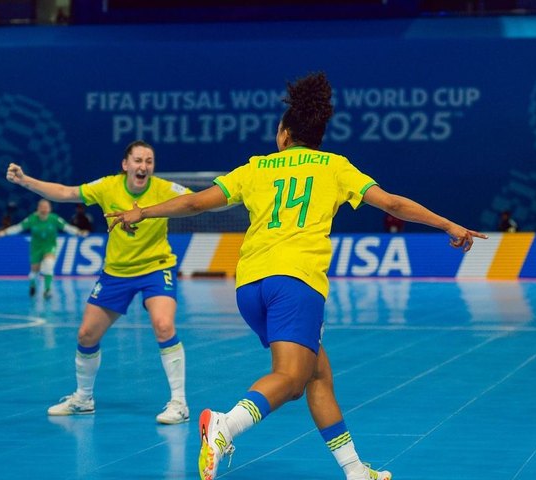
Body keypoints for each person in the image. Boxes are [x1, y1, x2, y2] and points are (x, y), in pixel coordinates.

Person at [107, 72, 487, 480]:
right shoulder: (335, 167)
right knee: (289, 379)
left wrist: (143, 210)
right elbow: (393, 203)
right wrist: (449, 225)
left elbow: (197, 204)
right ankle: (225, 425)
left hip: (250, 286)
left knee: (317, 374)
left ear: (285, 133)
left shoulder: (257, 168)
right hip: (297, 282)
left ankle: (356, 471)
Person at [3, 140, 192, 425]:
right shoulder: (107, 186)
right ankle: (83, 399)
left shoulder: (166, 189)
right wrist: (25, 180)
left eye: (149, 161)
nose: (144, 166)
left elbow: (197, 202)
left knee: (164, 326)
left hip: (157, 268)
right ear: (125, 164)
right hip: (116, 272)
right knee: (86, 336)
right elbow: (66, 193)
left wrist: (239, 194)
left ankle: (179, 403)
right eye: (138, 160)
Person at [0, 198, 82, 299]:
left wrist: (78, 232)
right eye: (42, 207)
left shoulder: (54, 219)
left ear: (50, 209)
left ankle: (47, 290)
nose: (44, 210)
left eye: (46, 208)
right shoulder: (32, 219)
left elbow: (67, 227)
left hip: (49, 246)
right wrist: (4, 232)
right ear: (38, 209)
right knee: (34, 272)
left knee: (48, 265)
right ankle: (32, 284)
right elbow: (18, 227)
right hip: (36, 248)